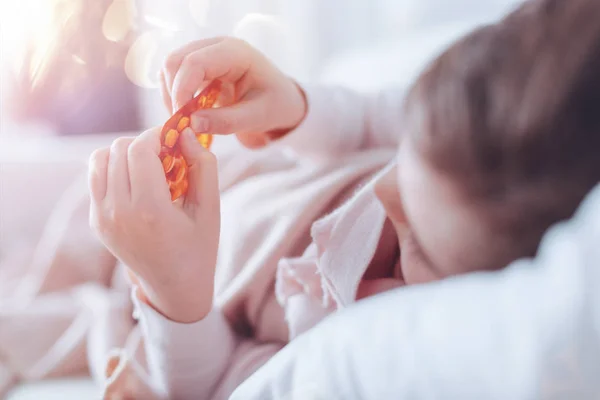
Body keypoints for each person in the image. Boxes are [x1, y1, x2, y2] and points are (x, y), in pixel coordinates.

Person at [88, 0, 600, 398]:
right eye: (401, 160)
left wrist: (174, 295)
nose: (379, 192)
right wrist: (296, 107)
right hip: (256, 182)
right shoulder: (474, 137)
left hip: (183, 291)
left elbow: (226, 384)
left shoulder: (373, 342)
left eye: (414, 245)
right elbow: (379, 117)